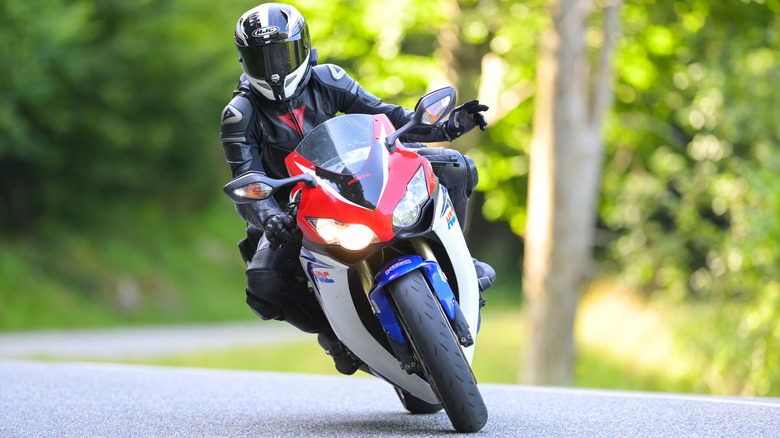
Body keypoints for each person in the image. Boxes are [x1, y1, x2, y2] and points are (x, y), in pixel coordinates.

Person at [220, 3, 496, 375]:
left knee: (458, 167)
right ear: (244, 61)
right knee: (263, 283)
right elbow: (247, 177)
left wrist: (445, 128)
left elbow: (390, 117)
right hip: (292, 208)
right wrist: (268, 216)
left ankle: (461, 257)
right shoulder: (240, 114)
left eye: (280, 54)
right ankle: (331, 332)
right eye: (261, 58)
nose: (273, 68)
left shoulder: (329, 78)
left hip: (358, 178)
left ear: (301, 49)